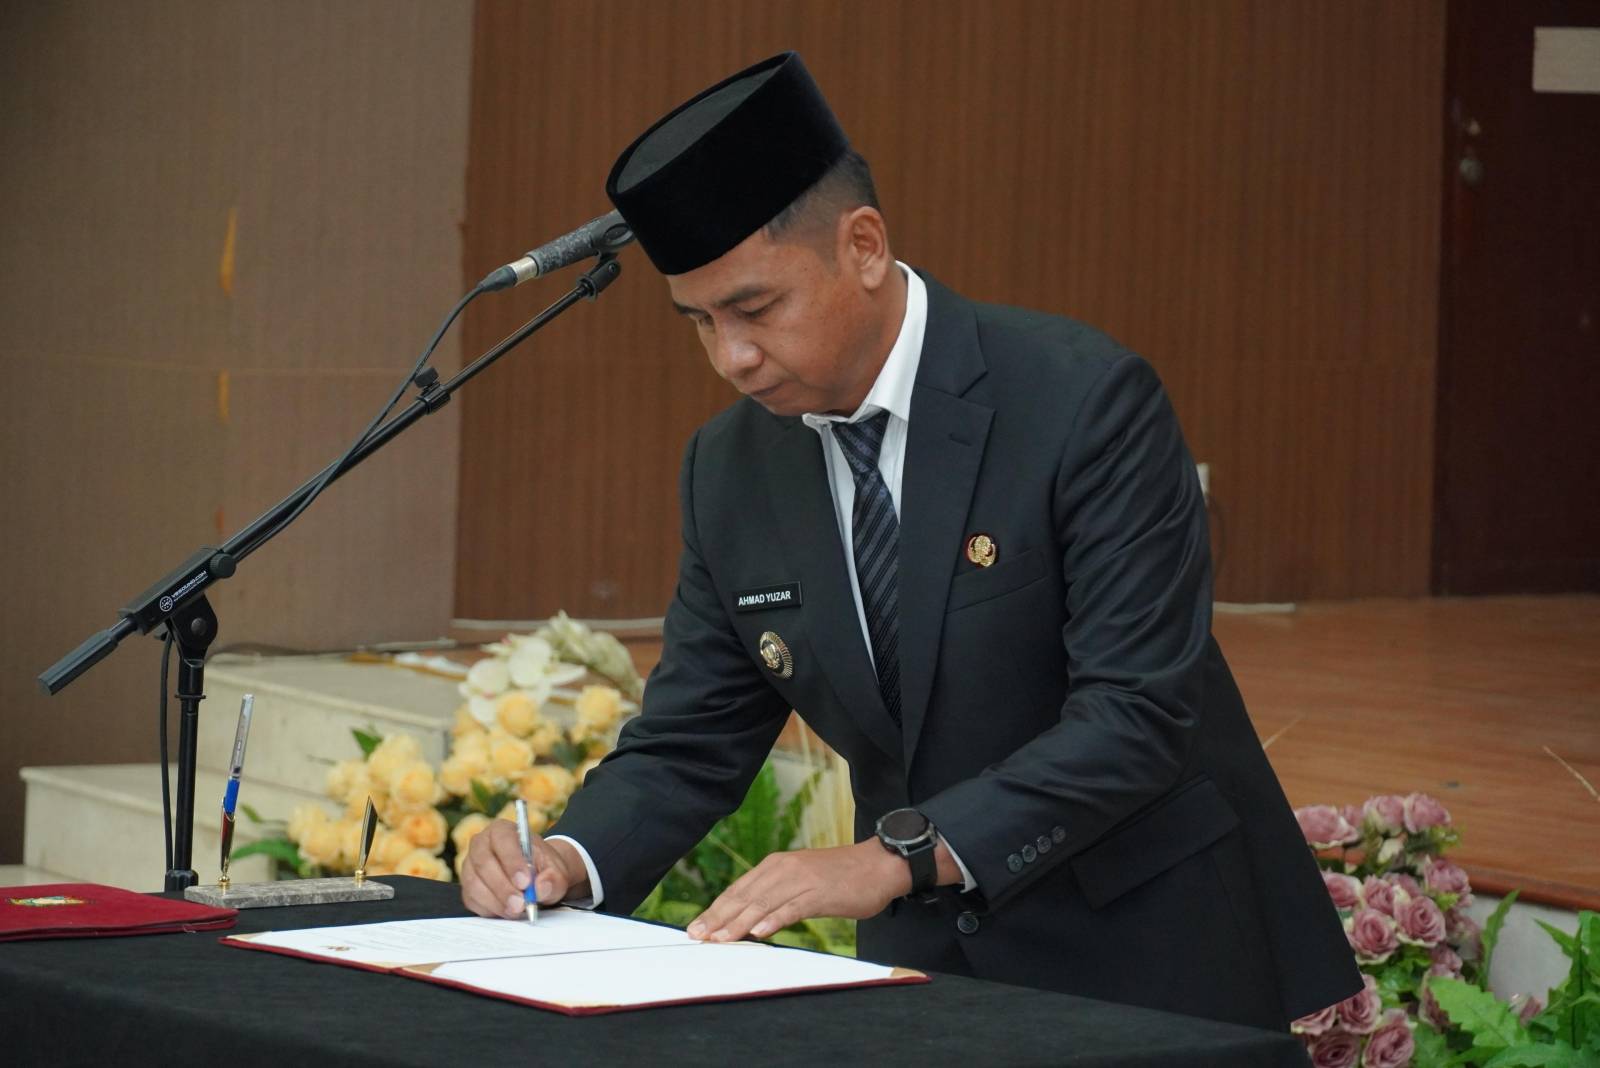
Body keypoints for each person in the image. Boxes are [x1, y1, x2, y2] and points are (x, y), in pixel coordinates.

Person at [462, 51, 1360, 1030]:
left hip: (1148, 957)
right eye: (700, 323)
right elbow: (692, 740)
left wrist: (895, 856)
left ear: (863, 246)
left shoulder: (1080, 402)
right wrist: (568, 857)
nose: (733, 358)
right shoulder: (729, 468)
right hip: (934, 977)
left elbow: (1135, 716)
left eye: (755, 309)